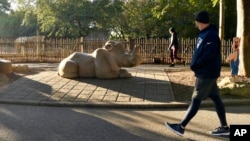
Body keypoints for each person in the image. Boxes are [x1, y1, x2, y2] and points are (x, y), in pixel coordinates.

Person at [164, 11, 230, 136]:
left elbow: (208, 55)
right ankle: (225, 127)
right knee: (216, 98)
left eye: (196, 21)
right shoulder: (204, 33)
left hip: (206, 73)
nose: (195, 23)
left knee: (196, 99)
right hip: (207, 72)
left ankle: (181, 126)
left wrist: (196, 64)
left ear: (199, 21)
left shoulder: (210, 35)